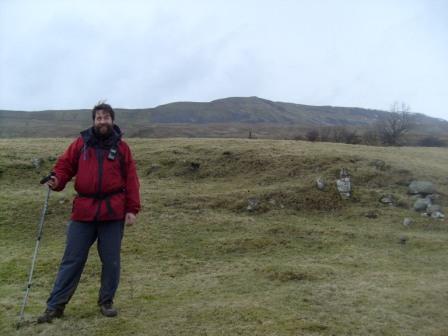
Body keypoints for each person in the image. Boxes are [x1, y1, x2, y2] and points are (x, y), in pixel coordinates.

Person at [37, 102, 141, 323]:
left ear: (112, 120)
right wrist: (57, 180)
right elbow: (65, 166)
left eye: (106, 117)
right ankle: (55, 306)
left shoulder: (122, 148)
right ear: (93, 121)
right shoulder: (81, 144)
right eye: (98, 118)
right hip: (84, 211)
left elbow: (131, 180)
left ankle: (106, 302)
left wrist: (132, 209)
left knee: (111, 260)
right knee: (72, 259)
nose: (102, 121)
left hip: (112, 212)